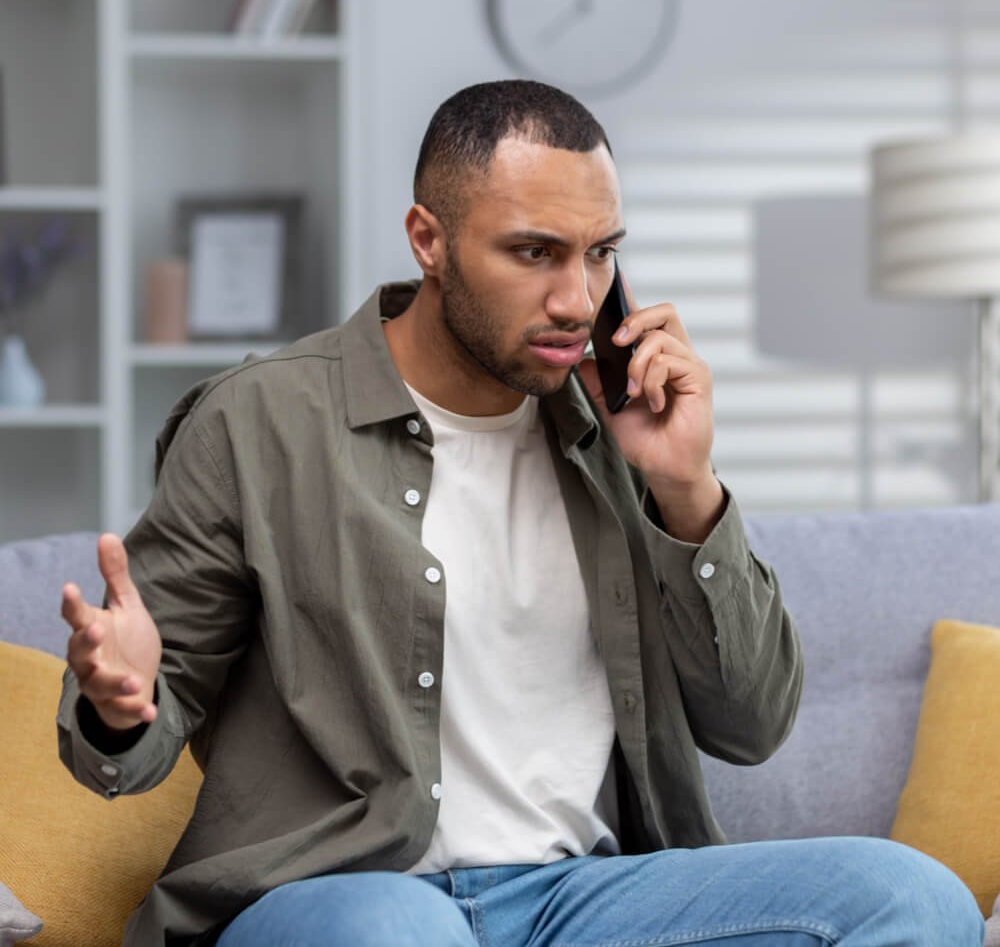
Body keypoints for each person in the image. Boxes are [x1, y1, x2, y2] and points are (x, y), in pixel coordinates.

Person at [59, 80, 982, 947]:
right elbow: (126, 744)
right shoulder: (259, 419)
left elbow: (752, 724)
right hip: (345, 892)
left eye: (601, 253)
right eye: (534, 252)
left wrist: (686, 489)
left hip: (579, 899)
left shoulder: (623, 426)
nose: (576, 300)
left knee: (911, 897)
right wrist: (123, 705)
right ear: (429, 238)